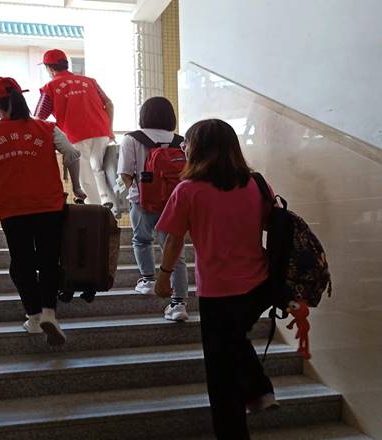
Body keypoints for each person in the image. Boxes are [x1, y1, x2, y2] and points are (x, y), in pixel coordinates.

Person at [155, 119, 278, 439]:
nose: (184, 148)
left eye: (187, 143)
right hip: (260, 286)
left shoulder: (188, 190)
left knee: (221, 373)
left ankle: (248, 406)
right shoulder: (256, 184)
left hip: (218, 291)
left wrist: (164, 277)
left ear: (197, 149)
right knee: (234, 342)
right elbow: (271, 224)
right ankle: (258, 389)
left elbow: (174, 239)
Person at [0, 77, 86, 346]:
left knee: (22, 264)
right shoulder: (46, 128)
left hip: (13, 211)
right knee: (49, 259)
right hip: (50, 206)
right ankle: (49, 312)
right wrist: (77, 187)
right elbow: (72, 154)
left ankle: (34, 316)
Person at [117, 97, 189, 322]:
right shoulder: (180, 140)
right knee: (174, 252)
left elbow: (125, 173)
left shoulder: (131, 139)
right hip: (174, 203)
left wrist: (138, 192)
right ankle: (178, 305)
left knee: (141, 240)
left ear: (144, 115)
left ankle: (148, 280)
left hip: (142, 201)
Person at [35, 49, 116, 209]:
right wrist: (110, 130)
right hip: (101, 132)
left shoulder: (51, 87)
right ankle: (109, 207)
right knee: (98, 169)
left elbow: (38, 118)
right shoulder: (89, 81)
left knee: (85, 177)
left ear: (49, 68)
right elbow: (109, 104)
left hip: (76, 136)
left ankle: (96, 212)